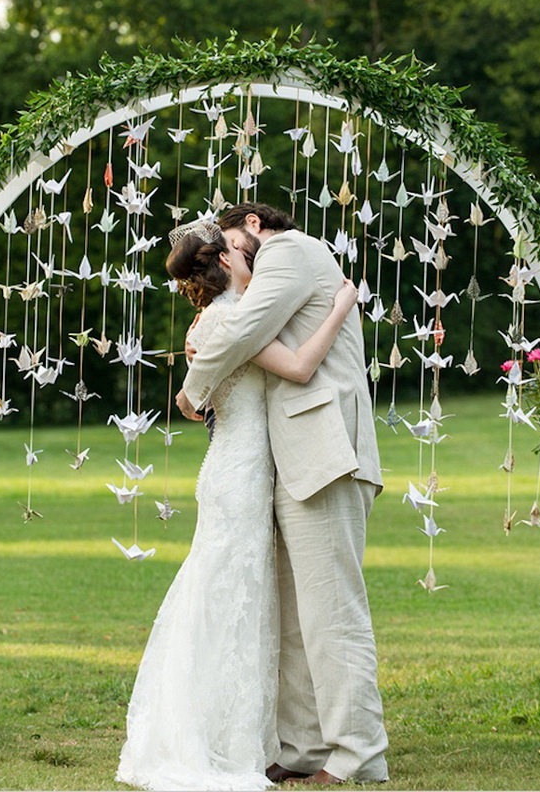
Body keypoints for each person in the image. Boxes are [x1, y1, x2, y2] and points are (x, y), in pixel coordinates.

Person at [116, 219, 360, 792]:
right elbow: (298, 368)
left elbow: (196, 402)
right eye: (233, 247)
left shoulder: (218, 318)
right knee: (233, 597)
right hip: (240, 475)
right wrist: (340, 307)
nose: (246, 250)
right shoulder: (232, 319)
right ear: (225, 263)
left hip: (239, 468)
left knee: (238, 596)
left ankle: (243, 734)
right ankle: (216, 738)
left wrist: (192, 390)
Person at [176, 203, 389, 787]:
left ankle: (357, 756)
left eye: (228, 241)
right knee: (298, 620)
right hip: (290, 458)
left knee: (332, 614)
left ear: (251, 223)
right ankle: (303, 749)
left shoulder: (289, 251)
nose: (226, 256)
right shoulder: (268, 264)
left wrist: (192, 393)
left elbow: (246, 330)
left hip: (325, 450)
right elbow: (246, 327)